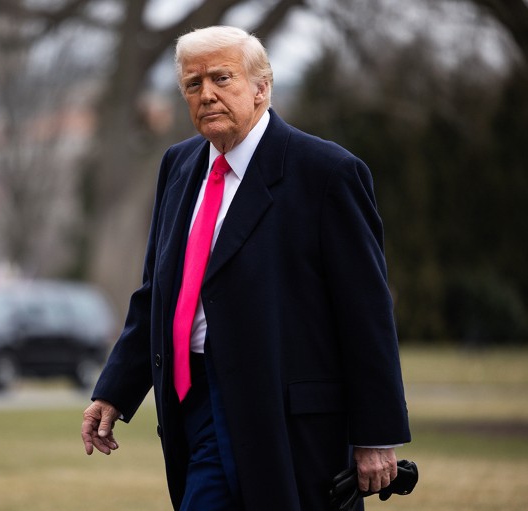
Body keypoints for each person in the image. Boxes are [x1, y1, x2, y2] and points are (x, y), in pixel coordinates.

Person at [81, 25, 410, 511]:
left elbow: (366, 313)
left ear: (262, 87)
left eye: (221, 78)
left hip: (283, 412)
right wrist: (115, 391)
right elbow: (158, 294)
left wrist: (377, 434)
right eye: (193, 85)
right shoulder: (178, 165)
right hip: (189, 402)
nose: (206, 94)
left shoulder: (327, 173)